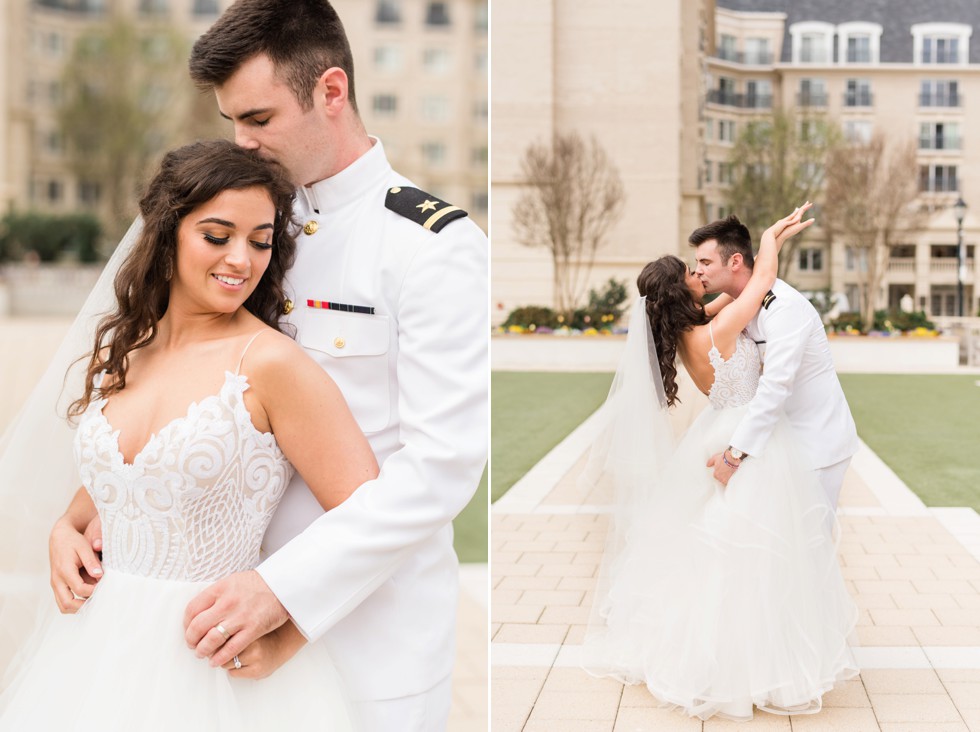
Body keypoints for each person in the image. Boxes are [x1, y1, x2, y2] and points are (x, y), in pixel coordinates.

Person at [47, 1, 489, 728]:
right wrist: (86, 515)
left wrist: (286, 592)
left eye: (257, 119)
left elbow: (441, 467)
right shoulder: (246, 220)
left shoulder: (429, 245)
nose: (242, 143)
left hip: (364, 630)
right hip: (207, 630)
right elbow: (176, 385)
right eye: (230, 124)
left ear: (332, 92)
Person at [0, 139, 377, 729]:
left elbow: (370, 518)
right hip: (94, 655)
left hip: (211, 663)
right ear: (168, 233)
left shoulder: (271, 364)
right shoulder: (125, 348)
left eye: (260, 240)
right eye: (218, 235)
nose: (241, 260)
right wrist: (64, 530)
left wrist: (289, 628)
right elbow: (120, 486)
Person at [581, 206, 858, 722]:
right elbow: (761, 284)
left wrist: (752, 256)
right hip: (743, 439)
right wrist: (772, 238)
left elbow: (750, 291)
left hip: (739, 433)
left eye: (702, 262)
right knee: (754, 553)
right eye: (692, 270)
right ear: (682, 292)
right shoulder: (720, 321)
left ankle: (733, 655)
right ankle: (748, 663)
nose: (699, 272)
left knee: (728, 553)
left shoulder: (702, 322)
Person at [690, 216, 858, 507]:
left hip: (815, 445)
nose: (698, 271)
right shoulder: (739, 304)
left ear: (735, 262)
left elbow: (776, 386)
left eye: (705, 262)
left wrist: (734, 456)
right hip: (776, 446)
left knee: (811, 544)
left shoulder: (783, 308)